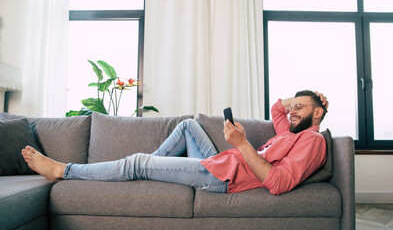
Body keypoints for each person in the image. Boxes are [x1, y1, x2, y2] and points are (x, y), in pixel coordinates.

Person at [22, 90, 328, 195]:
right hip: (220, 163)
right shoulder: (292, 132)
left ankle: (63, 170)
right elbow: (277, 107)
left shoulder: (312, 141)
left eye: (300, 108)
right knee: (187, 127)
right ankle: (150, 172)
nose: (291, 111)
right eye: (294, 107)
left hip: (220, 177)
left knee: (137, 161)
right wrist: (301, 100)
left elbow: (277, 182)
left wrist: (242, 144)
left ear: (317, 113)